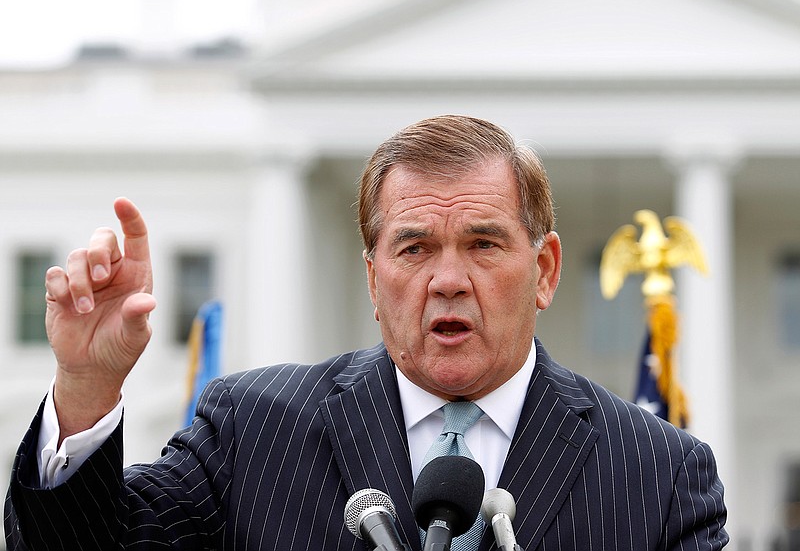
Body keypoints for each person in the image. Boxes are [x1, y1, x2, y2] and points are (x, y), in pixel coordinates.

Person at [4, 115, 728, 550]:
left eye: (482, 243)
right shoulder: (253, 434)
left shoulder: (658, 476)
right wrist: (87, 384)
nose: (448, 279)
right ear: (374, 278)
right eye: (414, 248)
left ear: (544, 269)